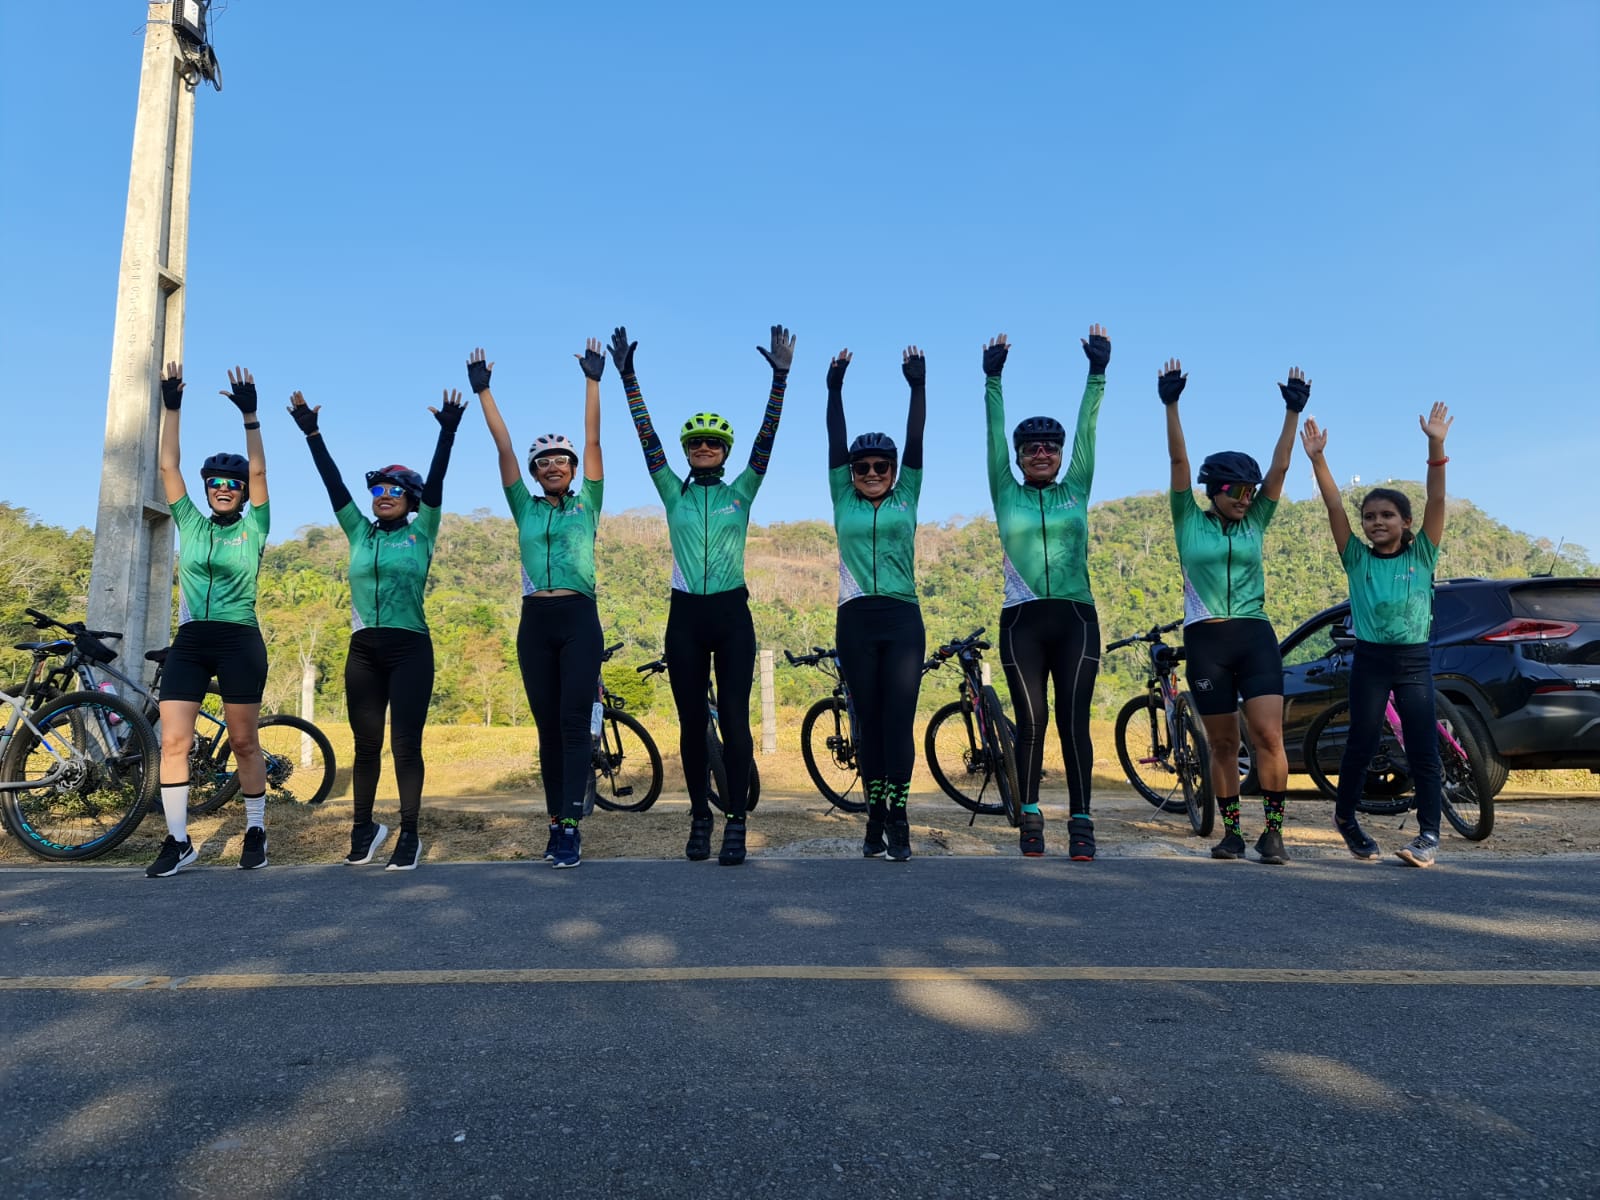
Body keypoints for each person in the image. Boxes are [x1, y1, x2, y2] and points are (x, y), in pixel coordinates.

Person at [612, 324, 795, 866]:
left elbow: (766, 440)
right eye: (696, 443)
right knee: (692, 724)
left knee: (735, 721)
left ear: (725, 451)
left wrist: (780, 381)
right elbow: (647, 440)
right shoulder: (673, 492)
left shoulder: (743, 490)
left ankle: (736, 820)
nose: (705, 448)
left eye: (713, 443)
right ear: (688, 451)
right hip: (685, 615)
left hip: (732, 613)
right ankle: (699, 816)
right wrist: (628, 379)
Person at [287, 386, 465, 871]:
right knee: (365, 747)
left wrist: (447, 433)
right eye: (378, 491)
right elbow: (333, 484)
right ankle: (363, 829)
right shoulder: (359, 532)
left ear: (410, 500)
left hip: (411, 649)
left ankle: (409, 834)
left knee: (405, 745)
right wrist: (312, 433)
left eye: (394, 491)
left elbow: (438, 481)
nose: (383, 497)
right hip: (363, 650)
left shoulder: (422, 531)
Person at [467, 343, 605, 868]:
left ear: (572, 470)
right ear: (534, 471)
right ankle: (554, 823)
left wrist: (593, 382)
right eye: (543, 462)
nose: (552, 466)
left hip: (578, 617)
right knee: (547, 730)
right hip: (534, 621)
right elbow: (502, 446)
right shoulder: (522, 506)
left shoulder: (588, 503)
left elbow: (592, 439)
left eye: (560, 461)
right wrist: (484, 392)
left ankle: (571, 827)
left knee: (573, 725)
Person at [1161, 358, 1302, 864]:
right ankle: (1233, 834)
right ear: (1214, 492)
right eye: (1238, 492)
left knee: (1268, 736)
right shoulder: (1187, 520)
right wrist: (1171, 405)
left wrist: (1292, 412)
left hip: (1254, 636)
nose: (1247, 499)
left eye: (1251, 491)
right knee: (1222, 744)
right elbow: (1179, 462)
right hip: (1206, 640)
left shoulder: (1255, 521)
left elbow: (1280, 469)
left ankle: (1275, 833)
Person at [1302, 405, 1453, 867]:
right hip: (1370, 660)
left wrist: (1436, 445)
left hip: (1413, 661)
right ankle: (1346, 819)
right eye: (1369, 516)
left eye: (1387, 515)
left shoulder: (1422, 555)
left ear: (1406, 522)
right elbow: (1334, 505)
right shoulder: (1356, 558)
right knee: (1362, 743)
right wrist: (1318, 459)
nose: (1377, 522)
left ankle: (1429, 836)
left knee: (1423, 746)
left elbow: (1437, 500)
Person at [983, 326, 1110, 859]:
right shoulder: (1005, 491)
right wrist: (992, 380)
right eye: (1030, 448)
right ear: (1017, 457)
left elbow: (1088, 433)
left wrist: (1097, 374)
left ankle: (1081, 821)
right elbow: (992, 435)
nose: (1041, 453)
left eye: (1050, 447)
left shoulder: (1076, 488)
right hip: (1022, 621)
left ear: (1060, 455)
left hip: (1076, 618)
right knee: (1031, 722)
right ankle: (1030, 817)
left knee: (1073, 722)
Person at [145, 362, 272, 877]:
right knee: (174, 741)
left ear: (241, 492)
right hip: (192, 641)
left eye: (232, 484)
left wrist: (250, 417)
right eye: (216, 482)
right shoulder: (191, 523)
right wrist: (171, 407)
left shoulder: (255, 526)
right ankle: (178, 841)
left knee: (243, 741)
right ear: (207, 489)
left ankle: (256, 829)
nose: (224, 487)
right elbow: (167, 466)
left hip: (240, 639)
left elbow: (260, 473)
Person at [827, 345, 927, 862]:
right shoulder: (842, 495)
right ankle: (874, 817)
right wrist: (834, 388)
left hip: (902, 617)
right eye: (862, 466)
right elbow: (834, 439)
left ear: (893, 469)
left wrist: (917, 387)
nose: (871, 472)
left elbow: (916, 440)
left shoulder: (907, 492)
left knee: (897, 723)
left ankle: (899, 817)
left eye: (880, 466)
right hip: (855, 618)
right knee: (867, 723)